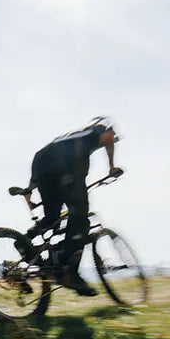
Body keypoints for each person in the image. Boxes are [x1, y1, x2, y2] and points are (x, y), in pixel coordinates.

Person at [21, 116, 122, 296]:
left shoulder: (74, 134)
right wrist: (112, 167)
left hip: (41, 163)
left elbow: (44, 162)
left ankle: (24, 244)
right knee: (81, 220)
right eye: (112, 136)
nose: (112, 140)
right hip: (65, 166)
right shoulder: (99, 128)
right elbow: (109, 138)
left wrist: (30, 187)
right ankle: (68, 271)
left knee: (52, 217)